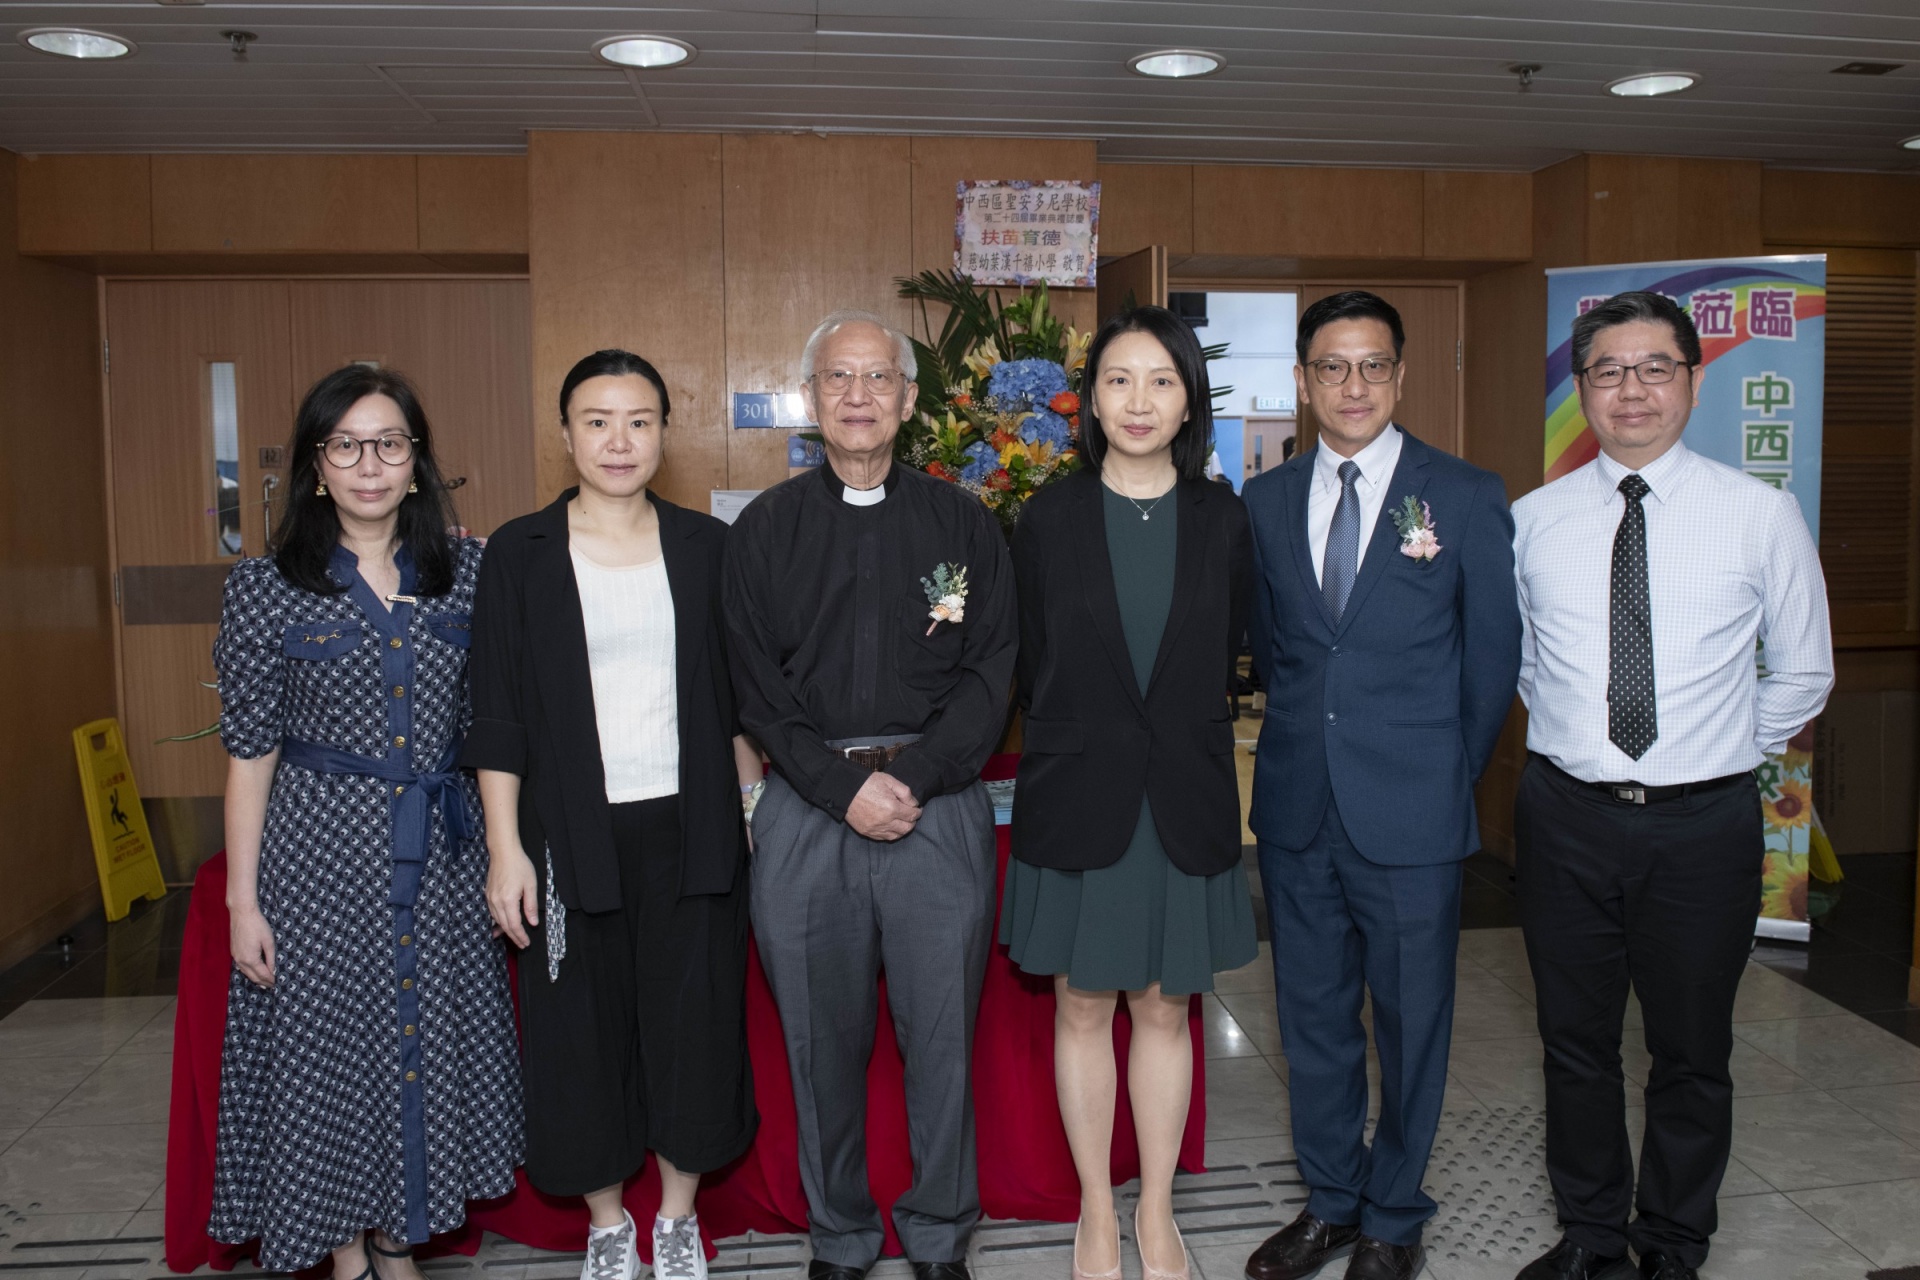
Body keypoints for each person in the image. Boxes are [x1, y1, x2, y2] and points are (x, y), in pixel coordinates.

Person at [1508, 292, 1832, 1280]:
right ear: (1583, 387)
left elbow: (1805, 669)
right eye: (1608, 369)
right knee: (1575, 1043)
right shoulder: (1534, 519)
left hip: (1704, 824)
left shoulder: (1760, 512)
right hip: (1566, 816)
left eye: (1655, 367)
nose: (1632, 390)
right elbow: (1525, 666)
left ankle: (1675, 1242)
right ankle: (1590, 1234)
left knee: (1692, 1049)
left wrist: (1720, 745)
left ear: (1693, 379)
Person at [722, 309, 1016, 1280]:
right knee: (818, 1043)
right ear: (812, 399)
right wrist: (838, 788)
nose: (859, 395)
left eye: (878, 377)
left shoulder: (963, 522)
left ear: (908, 398)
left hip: (938, 802)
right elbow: (753, 687)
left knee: (943, 1041)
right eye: (839, 378)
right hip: (808, 808)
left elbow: (991, 675)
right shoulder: (764, 530)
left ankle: (939, 1236)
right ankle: (840, 1237)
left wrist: (914, 776)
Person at [210, 366, 522, 1279]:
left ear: (417, 460)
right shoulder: (267, 587)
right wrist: (242, 902)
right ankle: (347, 1252)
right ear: (316, 466)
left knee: (423, 1043)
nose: (369, 464)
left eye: (389, 443)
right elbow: (251, 754)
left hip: (443, 857)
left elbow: (495, 722)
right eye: (345, 446)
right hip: (319, 860)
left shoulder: (468, 574)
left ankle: (398, 1238)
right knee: (330, 1059)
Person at [1240, 291, 1522, 1280]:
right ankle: (1331, 1201)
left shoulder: (1465, 494)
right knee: (1312, 1022)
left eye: (1371, 365)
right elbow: (1275, 648)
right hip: (1297, 806)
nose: (1351, 385)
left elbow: (1491, 659)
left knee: (1411, 1025)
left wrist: (1443, 773)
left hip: (1414, 809)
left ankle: (1395, 1215)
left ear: (1400, 376)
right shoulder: (1264, 501)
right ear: (1303, 380)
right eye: (1331, 366)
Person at [465, 350, 761, 1280]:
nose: (618, 441)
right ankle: (606, 1225)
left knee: (694, 1025)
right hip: (566, 836)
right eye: (597, 421)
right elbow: (498, 713)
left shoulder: (707, 547)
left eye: (638, 421)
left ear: (665, 434)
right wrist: (505, 848)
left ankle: (675, 1218)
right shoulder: (520, 553)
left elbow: (737, 701)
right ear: (566, 434)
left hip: (693, 828)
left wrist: (752, 809)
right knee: (577, 1033)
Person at [1001, 306, 1257, 1280]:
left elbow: (1232, 649)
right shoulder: (1047, 518)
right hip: (1080, 795)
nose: (1139, 400)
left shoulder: (1222, 518)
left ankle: (1155, 1209)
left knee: (1162, 1010)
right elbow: (1029, 658)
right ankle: (1095, 1211)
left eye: (1161, 380)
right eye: (1118, 379)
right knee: (1080, 1009)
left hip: (1182, 797)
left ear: (1189, 400)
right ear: (1090, 400)